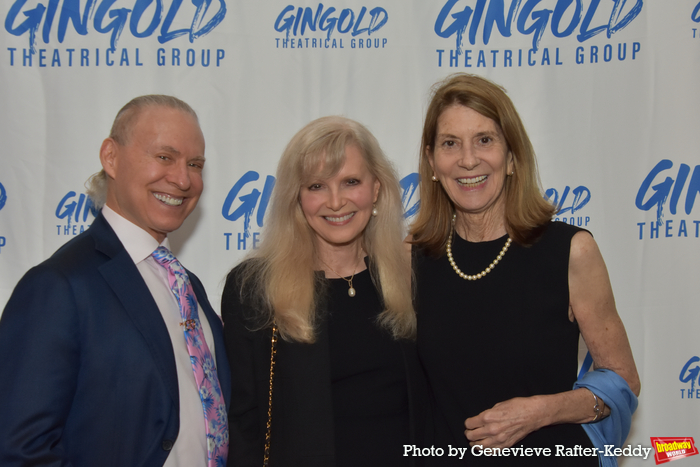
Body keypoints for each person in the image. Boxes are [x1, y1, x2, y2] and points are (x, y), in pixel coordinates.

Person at [410, 74, 640, 466]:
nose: (468, 159)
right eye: (451, 143)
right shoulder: (412, 260)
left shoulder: (570, 251)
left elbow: (623, 381)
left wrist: (541, 411)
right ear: (432, 162)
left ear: (512, 155)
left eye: (485, 139)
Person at [0, 95, 231, 467]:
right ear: (111, 157)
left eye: (195, 164)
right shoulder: (57, 286)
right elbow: (20, 451)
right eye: (164, 157)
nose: (183, 178)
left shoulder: (189, 287)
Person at [222, 116, 428, 466]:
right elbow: (243, 422)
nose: (335, 201)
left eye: (350, 181)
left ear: (376, 188)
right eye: (316, 186)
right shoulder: (255, 288)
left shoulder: (413, 274)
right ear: (297, 197)